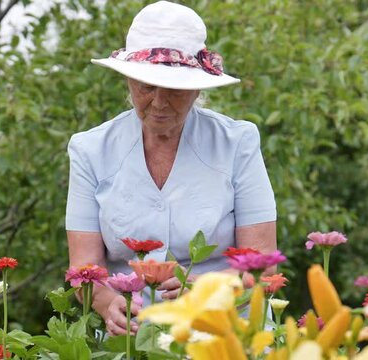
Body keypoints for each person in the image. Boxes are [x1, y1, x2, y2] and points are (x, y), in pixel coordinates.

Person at [65, 1, 277, 336]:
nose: (160, 102)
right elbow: (84, 270)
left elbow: (262, 265)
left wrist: (208, 291)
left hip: (225, 332)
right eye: (147, 86)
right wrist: (106, 303)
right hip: (131, 337)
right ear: (129, 80)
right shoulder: (90, 150)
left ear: (197, 88)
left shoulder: (238, 143)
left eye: (175, 90)